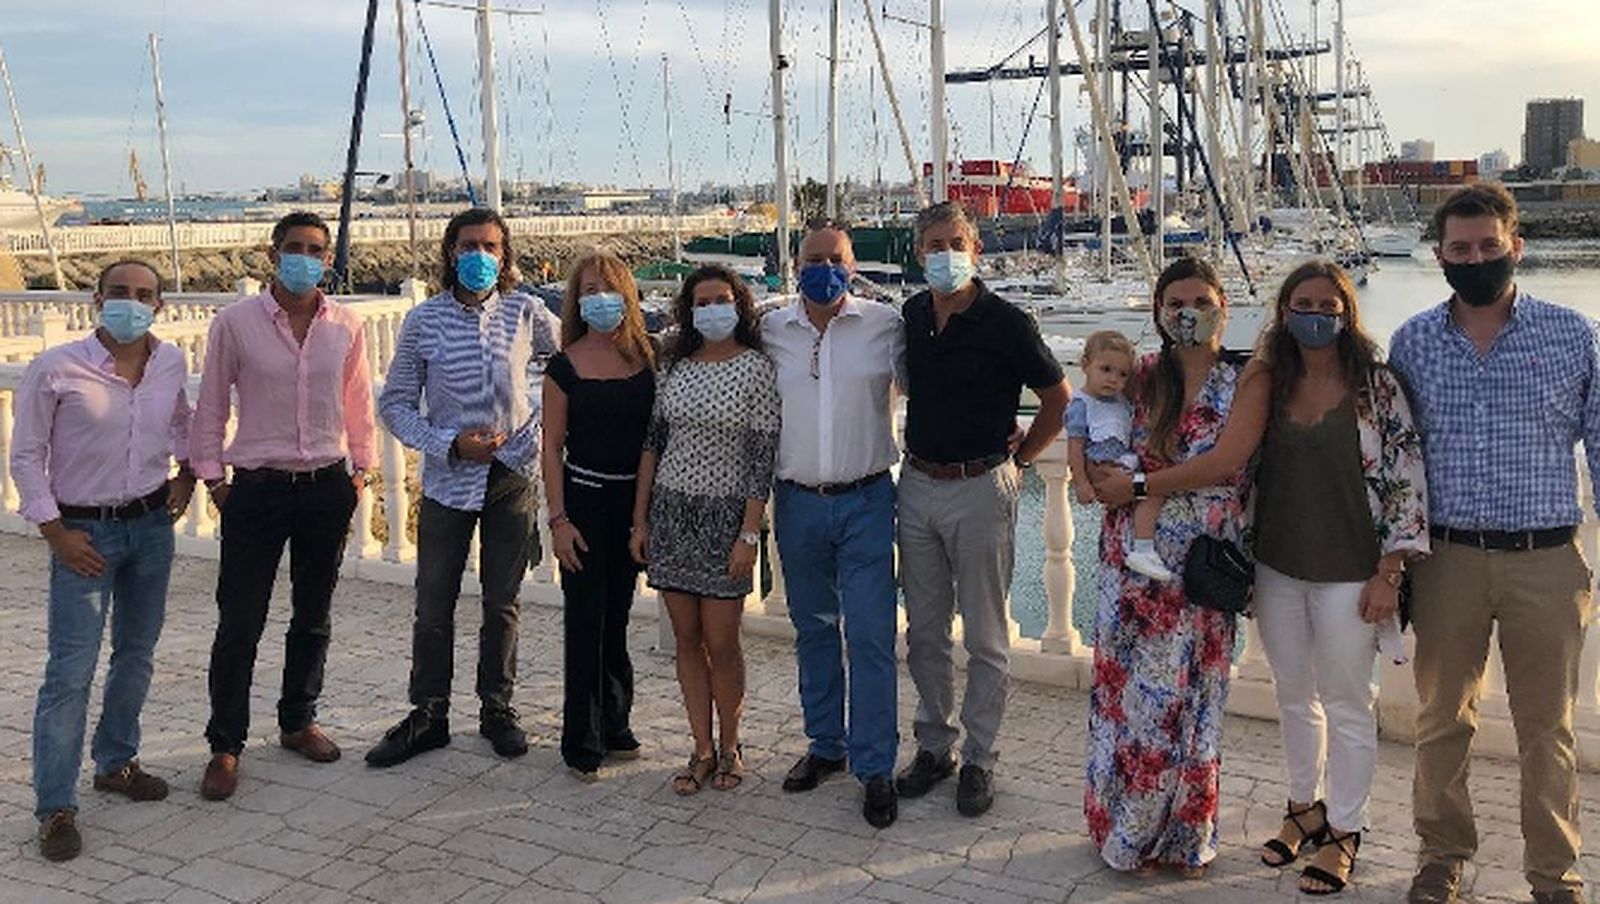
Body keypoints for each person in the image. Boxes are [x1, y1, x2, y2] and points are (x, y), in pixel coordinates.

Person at [1390, 183, 1597, 904]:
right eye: (1460, 249)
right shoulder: (1412, 342)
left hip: (1545, 558)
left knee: (1549, 730)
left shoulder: (1574, 334)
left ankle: (1554, 875)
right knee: (1443, 719)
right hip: (1447, 557)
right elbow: (1397, 458)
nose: (1475, 259)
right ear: (1440, 255)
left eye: (1488, 246)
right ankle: (1441, 855)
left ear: (1516, 246)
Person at [1082, 256, 1270, 877]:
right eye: (1175, 302)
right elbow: (1088, 411)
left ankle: (1185, 835)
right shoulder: (1142, 376)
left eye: (1200, 299)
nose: (1188, 311)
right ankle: (1126, 832)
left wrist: (1138, 483)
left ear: (1222, 303)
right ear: (1159, 312)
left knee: (1189, 699)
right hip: (1130, 559)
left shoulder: (1248, 377)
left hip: (1200, 561)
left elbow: (1226, 462)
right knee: (1127, 697)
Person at [1249, 259, 1429, 895]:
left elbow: (1406, 476)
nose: (1316, 315)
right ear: (1284, 312)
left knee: (1350, 704)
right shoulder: (1268, 383)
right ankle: (1305, 808)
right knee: (1294, 697)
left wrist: (1392, 570)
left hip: (1353, 573)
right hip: (1277, 565)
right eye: (1304, 303)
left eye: (1329, 305)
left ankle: (1346, 830)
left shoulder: (1376, 387)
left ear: (1347, 313)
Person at [192, 211, 378, 801]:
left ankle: (298, 720)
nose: (306, 257)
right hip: (258, 487)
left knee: (313, 614)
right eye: (294, 247)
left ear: (328, 259)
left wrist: (361, 471)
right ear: (273, 255)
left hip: (325, 485)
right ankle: (226, 743)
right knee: (240, 620)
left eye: (316, 249)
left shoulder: (345, 325)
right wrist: (213, 479)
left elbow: (358, 402)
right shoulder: (235, 324)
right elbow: (211, 404)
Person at [365, 208, 561, 768]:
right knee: (433, 604)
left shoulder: (527, 312)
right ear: (451, 252)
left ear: (505, 256)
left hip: (511, 478)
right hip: (449, 482)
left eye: (491, 246)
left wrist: (532, 433)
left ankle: (497, 707)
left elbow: (567, 371)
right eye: (469, 245)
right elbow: (396, 404)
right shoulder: (424, 321)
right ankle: (429, 713)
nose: (480, 255)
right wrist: (448, 442)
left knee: (503, 603)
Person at [13, 260, 195, 862]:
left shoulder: (169, 362)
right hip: (83, 534)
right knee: (70, 670)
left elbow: (183, 424)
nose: (131, 303)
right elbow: (25, 457)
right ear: (97, 298)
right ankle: (56, 805)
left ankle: (116, 761)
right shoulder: (56, 367)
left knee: (136, 655)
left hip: (149, 526)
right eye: (119, 292)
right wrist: (55, 533)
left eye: (144, 295)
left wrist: (187, 476)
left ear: (159, 306)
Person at [893, 201, 1069, 817]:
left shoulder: (1007, 322)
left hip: (980, 486)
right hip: (916, 484)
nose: (944, 255)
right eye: (934, 244)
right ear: (920, 253)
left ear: (976, 249)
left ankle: (981, 759)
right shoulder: (913, 314)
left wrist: (1025, 458)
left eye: (955, 243)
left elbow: (1057, 397)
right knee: (924, 633)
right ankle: (934, 745)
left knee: (988, 635)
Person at [763, 220, 904, 828]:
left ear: (853, 264)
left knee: (870, 636)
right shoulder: (770, 328)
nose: (825, 268)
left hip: (868, 499)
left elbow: (943, 380)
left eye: (836, 258)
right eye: (814, 258)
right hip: (796, 501)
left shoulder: (885, 326)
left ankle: (876, 768)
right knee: (813, 630)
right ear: (796, 265)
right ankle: (826, 746)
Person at [629, 264, 780, 796]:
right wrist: (640, 520)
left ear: (738, 305)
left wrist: (748, 534)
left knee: (723, 642)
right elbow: (653, 443)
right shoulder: (673, 366)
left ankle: (732, 744)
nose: (712, 308)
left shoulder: (757, 369)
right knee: (686, 642)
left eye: (722, 299)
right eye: (702, 301)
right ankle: (700, 748)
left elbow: (762, 457)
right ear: (689, 310)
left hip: (724, 523)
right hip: (672, 516)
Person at [542, 250, 657, 782]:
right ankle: (581, 737)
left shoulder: (648, 359)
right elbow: (551, 449)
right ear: (576, 300)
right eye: (589, 290)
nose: (600, 299)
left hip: (633, 504)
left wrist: (643, 519)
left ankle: (616, 721)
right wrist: (559, 521)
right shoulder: (564, 366)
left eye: (609, 288)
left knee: (617, 621)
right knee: (585, 623)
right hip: (583, 505)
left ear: (628, 295)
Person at [1065, 330, 1171, 581]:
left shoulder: (1121, 400)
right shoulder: (1081, 404)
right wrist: (1080, 482)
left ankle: (1141, 546)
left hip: (1124, 460)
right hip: (1106, 462)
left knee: (1148, 492)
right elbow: (1075, 446)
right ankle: (1143, 549)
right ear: (1085, 366)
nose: (1114, 379)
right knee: (1152, 490)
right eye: (1106, 370)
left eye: (1122, 374)